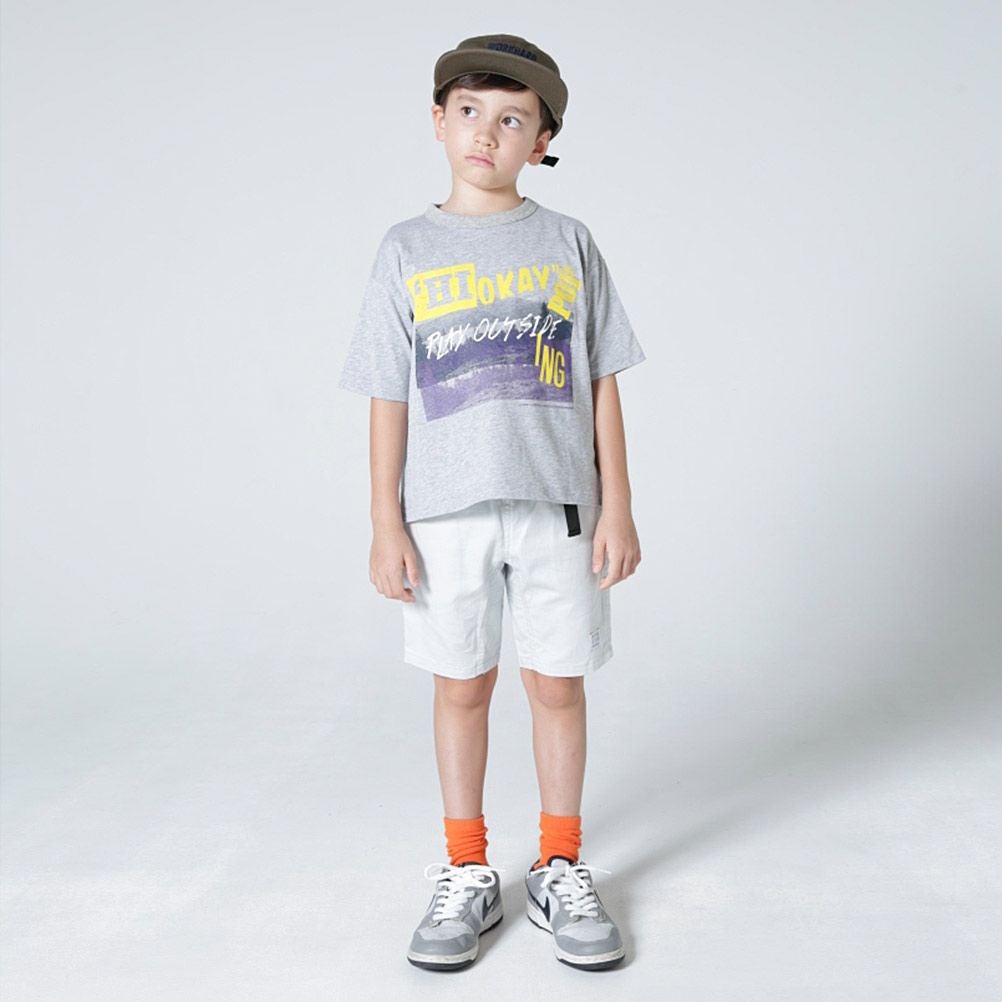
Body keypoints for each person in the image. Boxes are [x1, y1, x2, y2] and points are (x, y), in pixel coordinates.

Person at [338, 33, 646, 971]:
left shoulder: (569, 242)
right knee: (461, 684)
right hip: (444, 512)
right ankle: (468, 867)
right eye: (470, 111)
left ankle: (560, 863)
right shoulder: (406, 248)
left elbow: (601, 378)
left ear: (541, 142)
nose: (486, 133)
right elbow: (387, 393)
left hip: (559, 504)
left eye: (513, 120)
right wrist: (386, 522)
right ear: (438, 121)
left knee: (556, 682)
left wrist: (619, 506)